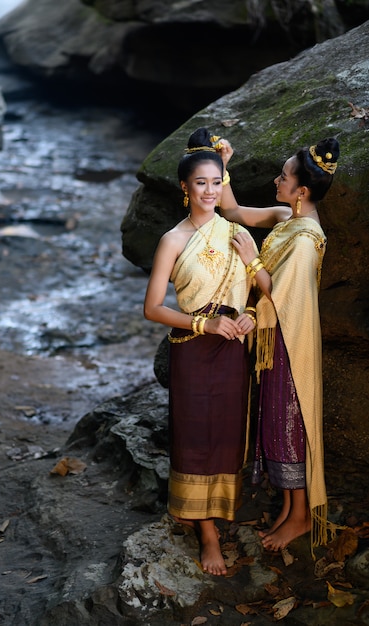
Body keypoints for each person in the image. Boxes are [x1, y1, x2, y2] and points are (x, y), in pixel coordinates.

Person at [217, 135, 340, 553]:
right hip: (277, 337)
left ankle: (302, 515)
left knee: (290, 421)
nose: (276, 180)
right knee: (274, 417)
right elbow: (232, 210)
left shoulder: (306, 240)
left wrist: (252, 258)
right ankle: (290, 509)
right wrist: (224, 166)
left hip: (291, 340)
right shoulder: (287, 218)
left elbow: (278, 295)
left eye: (284, 177)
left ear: (301, 191)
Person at [143, 128, 258, 575]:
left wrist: (250, 314)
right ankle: (206, 531)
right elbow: (153, 308)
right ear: (184, 188)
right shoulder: (173, 239)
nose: (209, 191)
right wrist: (203, 322)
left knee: (228, 430)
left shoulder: (235, 233)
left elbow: (258, 290)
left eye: (216, 182)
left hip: (233, 345)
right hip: (193, 347)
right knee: (194, 435)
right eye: (200, 183)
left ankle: (217, 508)